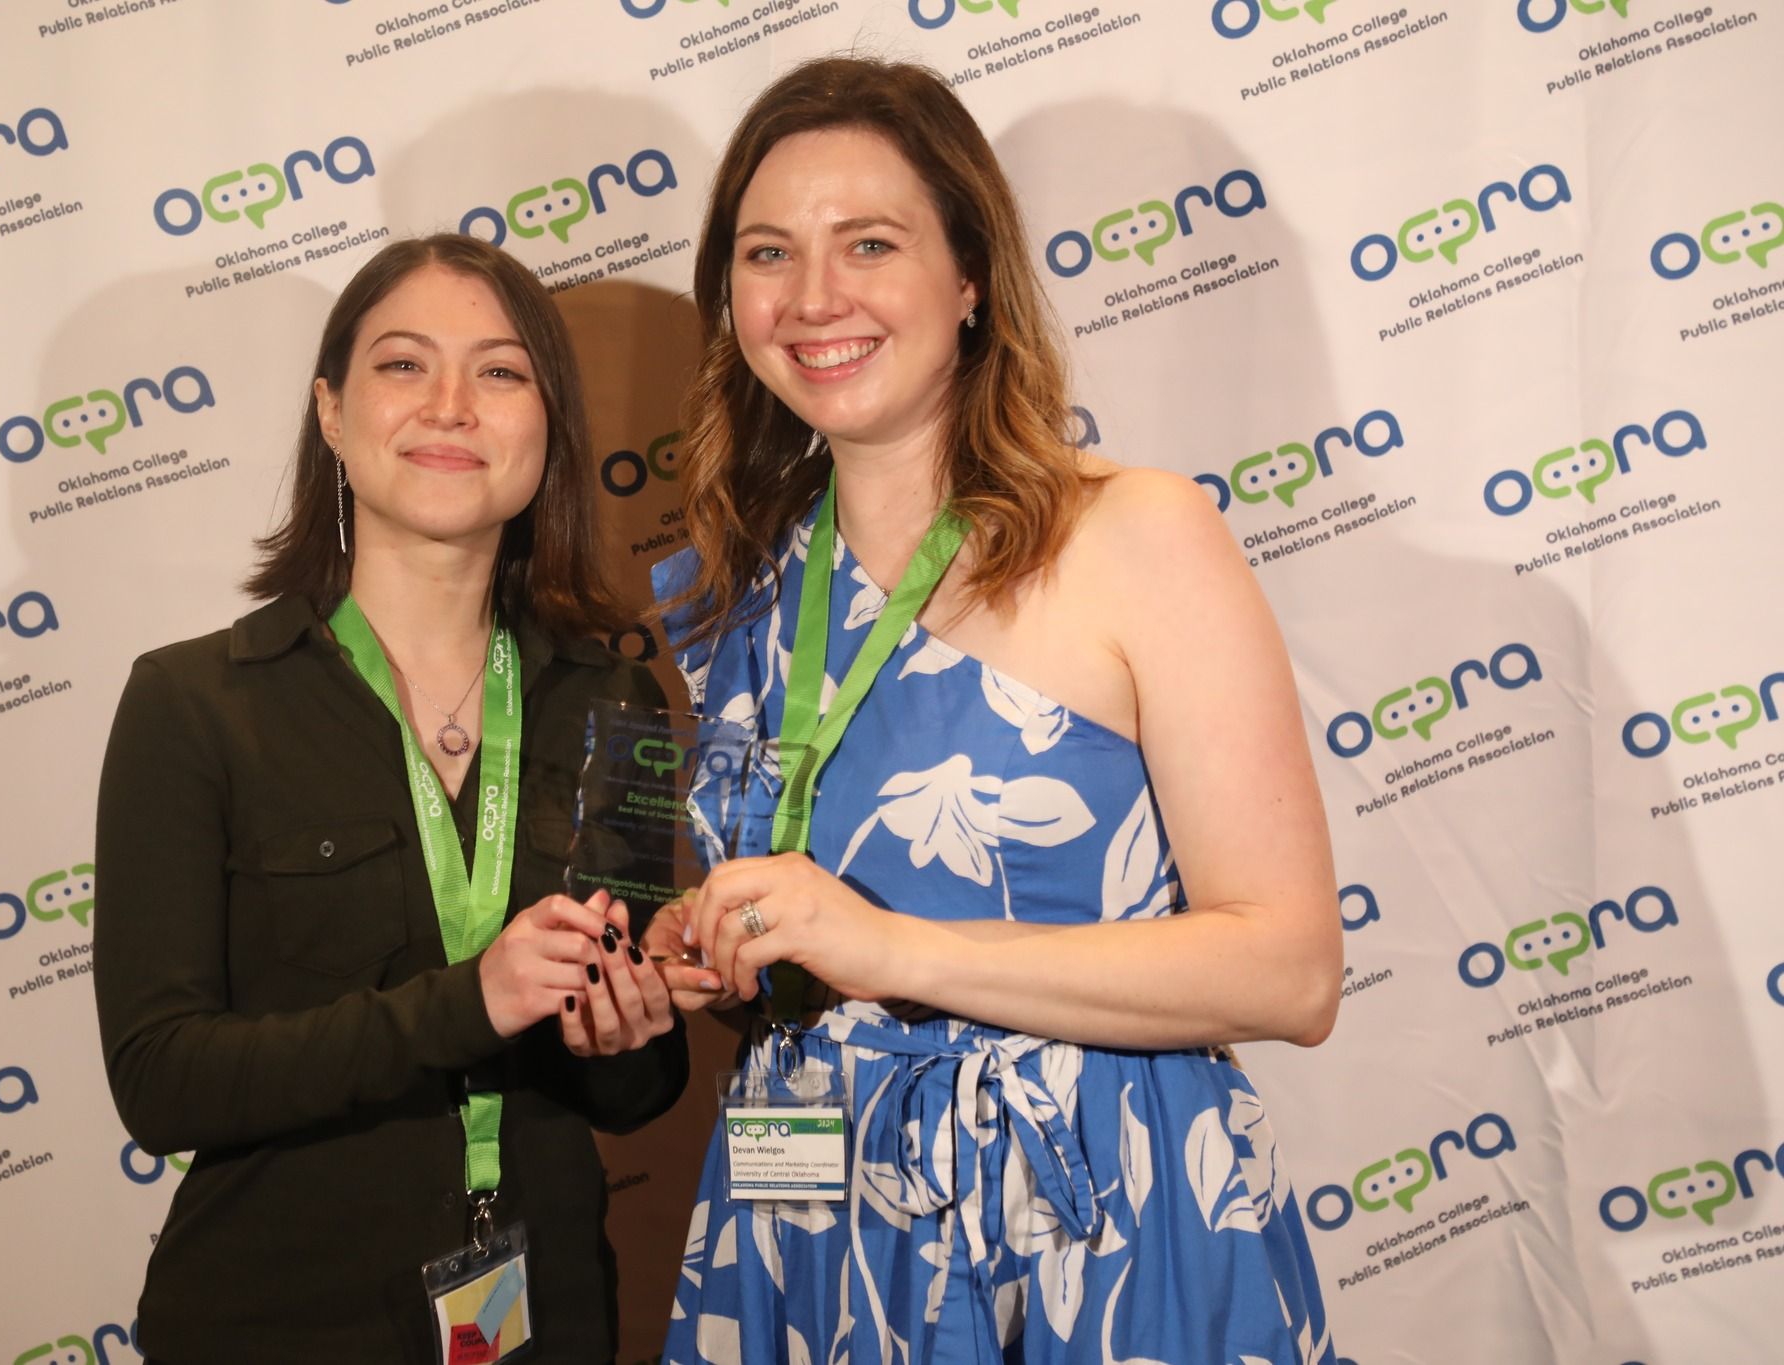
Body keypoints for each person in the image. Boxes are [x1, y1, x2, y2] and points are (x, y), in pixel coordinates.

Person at [644, 58, 1342, 1364]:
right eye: (767, 253)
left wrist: (886, 945)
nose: (814, 298)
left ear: (970, 278)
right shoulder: (742, 594)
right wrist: (734, 944)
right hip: (809, 1221)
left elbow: (1291, 969)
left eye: (870, 243)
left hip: (1096, 1226)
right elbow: (818, 922)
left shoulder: (1133, 532)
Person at [94, 234, 686, 1363]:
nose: (452, 406)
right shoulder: (193, 703)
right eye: (404, 365)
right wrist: (473, 1001)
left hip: (542, 1316)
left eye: (501, 372)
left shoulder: (614, 698)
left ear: (548, 424)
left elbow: (634, 1094)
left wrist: (625, 1032)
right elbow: (161, 1080)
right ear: (329, 411)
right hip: (274, 1323)